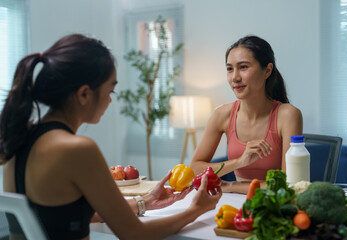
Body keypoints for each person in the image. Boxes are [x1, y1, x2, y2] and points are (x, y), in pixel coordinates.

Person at [0, 34, 221, 240]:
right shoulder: (77, 149)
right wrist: (197, 210)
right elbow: (134, 234)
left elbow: (65, 216)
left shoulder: (18, 137)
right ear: (84, 94)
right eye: (111, 90)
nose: (110, 100)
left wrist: (146, 202)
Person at [190, 35, 303, 194]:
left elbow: (287, 184)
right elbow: (194, 170)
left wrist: (230, 186)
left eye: (243, 67)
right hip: (234, 202)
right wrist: (239, 162)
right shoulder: (221, 114)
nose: (235, 77)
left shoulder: (288, 115)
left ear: (267, 70)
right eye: (230, 69)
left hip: (273, 203)